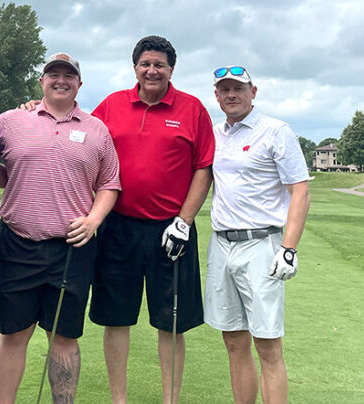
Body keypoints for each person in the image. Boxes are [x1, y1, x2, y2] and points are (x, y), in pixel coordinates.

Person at [88, 35, 215, 404]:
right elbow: (77, 135)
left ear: (171, 69)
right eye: (145, 64)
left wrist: (185, 221)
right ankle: (119, 400)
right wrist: (37, 107)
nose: (152, 70)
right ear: (135, 68)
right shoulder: (112, 105)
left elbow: (203, 167)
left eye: (159, 64)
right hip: (118, 228)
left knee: (171, 323)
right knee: (116, 319)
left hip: (172, 231)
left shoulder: (191, 109)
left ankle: (169, 401)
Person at [0, 53, 121, 404]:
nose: (60, 80)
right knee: (14, 334)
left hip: (71, 248)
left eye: (68, 75)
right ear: (41, 81)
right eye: (53, 74)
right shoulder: (10, 121)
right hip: (18, 243)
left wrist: (93, 220)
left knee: (63, 336)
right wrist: (6, 175)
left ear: (79, 84)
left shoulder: (96, 129)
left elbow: (110, 183)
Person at [204, 65, 311, 404]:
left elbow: (300, 191)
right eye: (224, 89)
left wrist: (289, 247)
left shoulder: (276, 131)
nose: (231, 94)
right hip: (221, 244)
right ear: (217, 95)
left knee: (267, 345)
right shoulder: (215, 134)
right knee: (234, 341)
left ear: (253, 92)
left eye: (238, 88)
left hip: (262, 244)